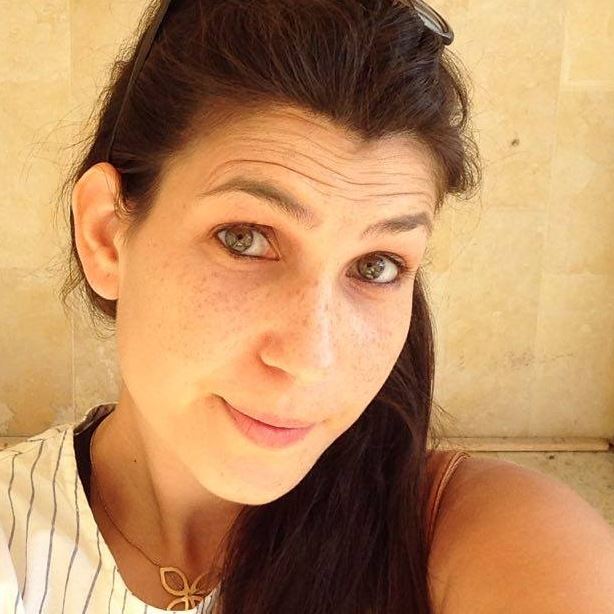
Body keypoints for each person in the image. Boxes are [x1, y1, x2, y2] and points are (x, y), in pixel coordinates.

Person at [2, 1, 614, 612]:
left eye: (376, 266)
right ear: (107, 235)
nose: (311, 359)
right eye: (245, 238)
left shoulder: (492, 539)